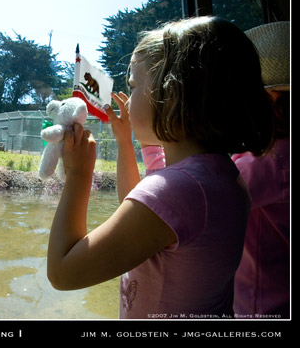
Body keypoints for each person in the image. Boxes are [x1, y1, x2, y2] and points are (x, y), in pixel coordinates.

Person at [46, 16, 275, 319]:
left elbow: (63, 272)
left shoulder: (181, 190)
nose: (126, 100)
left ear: (172, 94)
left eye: (134, 85)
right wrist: (125, 141)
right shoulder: (218, 175)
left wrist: (78, 176)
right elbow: (139, 208)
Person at [232, 21, 290, 319]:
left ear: (271, 99)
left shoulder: (266, 165)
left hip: (260, 312)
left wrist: (154, 146)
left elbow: (196, 199)